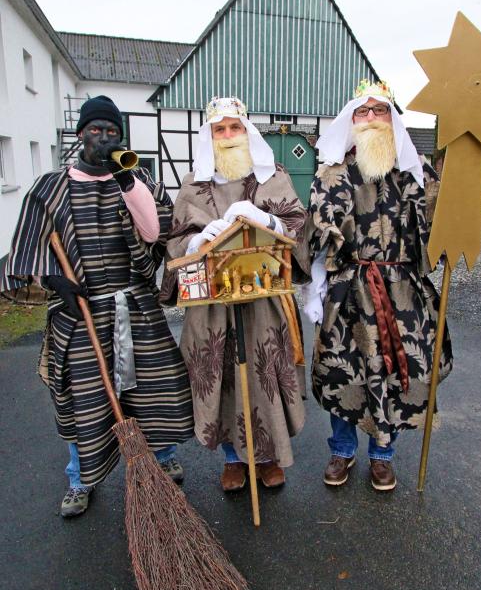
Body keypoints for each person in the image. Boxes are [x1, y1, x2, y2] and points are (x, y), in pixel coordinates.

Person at [1, 95, 193, 516]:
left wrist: (127, 183)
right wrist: (53, 280)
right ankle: (79, 478)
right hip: (79, 312)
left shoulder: (137, 178)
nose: (103, 137)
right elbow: (27, 247)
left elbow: (155, 231)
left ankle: (161, 458)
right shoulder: (49, 188)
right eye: (95, 129)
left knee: (153, 387)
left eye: (111, 131)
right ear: (80, 133)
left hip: (135, 307)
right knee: (81, 396)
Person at [303, 80, 452, 491]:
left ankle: (383, 455)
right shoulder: (331, 173)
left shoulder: (416, 174)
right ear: (351, 122)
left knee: (397, 374)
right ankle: (343, 449)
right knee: (344, 373)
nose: (371, 119)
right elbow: (315, 234)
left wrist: (451, 202)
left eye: (380, 111)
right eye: (362, 113)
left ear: (393, 119)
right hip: (348, 291)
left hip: (402, 290)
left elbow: (440, 234)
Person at [162, 96, 307, 492]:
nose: (227, 136)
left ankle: (267, 458)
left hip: (263, 300)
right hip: (213, 307)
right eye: (219, 129)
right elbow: (174, 241)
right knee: (223, 377)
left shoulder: (271, 176)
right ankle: (233, 460)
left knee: (264, 377)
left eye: (235, 127)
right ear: (209, 135)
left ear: (247, 132)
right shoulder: (194, 185)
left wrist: (270, 219)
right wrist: (196, 242)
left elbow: (298, 226)